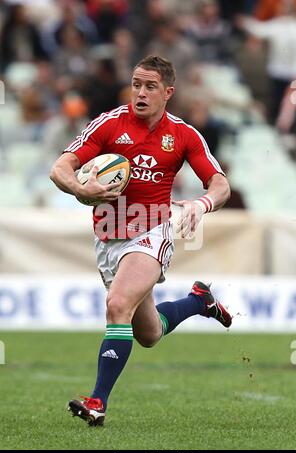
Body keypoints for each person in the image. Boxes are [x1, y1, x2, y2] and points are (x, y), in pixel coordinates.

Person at [50, 55, 232, 427]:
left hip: (151, 232)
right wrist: (82, 188)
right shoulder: (108, 125)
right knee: (149, 333)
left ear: (168, 93)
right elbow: (59, 169)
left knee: (117, 305)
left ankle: (97, 402)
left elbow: (220, 184)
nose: (140, 92)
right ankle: (200, 302)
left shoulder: (183, 134)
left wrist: (202, 202)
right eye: (136, 84)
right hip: (108, 237)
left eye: (150, 86)